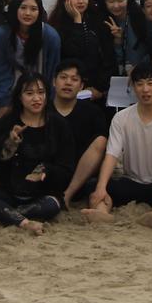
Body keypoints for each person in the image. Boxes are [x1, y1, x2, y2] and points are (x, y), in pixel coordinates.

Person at [0, 73, 75, 235]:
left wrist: (46, 171)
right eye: (29, 93)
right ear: (20, 97)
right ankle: (24, 222)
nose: (36, 98)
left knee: (52, 204)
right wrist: (8, 142)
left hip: (42, 194)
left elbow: (67, 167)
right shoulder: (9, 121)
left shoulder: (58, 125)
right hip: (9, 191)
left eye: (41, 92)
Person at [81, 65, 152, 225]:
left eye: (150, 83)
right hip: (131, 181)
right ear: (133, 86)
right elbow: (111, 156)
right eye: (140, 84)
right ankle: (102, 213)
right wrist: (101, 187)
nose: (145, 89)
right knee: (93, 185)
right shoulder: (121, 118)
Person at [0, 0, 62, 115]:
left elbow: (52, 73)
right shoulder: (4, 33)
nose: (28, 13)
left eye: (33, 9)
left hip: (41, 96)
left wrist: (48, 103)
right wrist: (4, 102)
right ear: (16, 9)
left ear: (40, 12)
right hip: (11, 94)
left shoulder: (50, 36)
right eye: (23, 8)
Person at [51, 60, 110, 205]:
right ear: (54, 82)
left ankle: (67, 195)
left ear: (82, 86)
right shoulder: (42, 110)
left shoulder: (93, 112)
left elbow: (101, 149)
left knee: (101, 140)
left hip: (82, 177)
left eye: (74, 79)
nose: (68, 83)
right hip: (49, 174)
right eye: (63, 77)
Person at [48, 0, 112, 98]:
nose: (81, 1)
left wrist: (100, 87)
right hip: (68, 86)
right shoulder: (56, 25)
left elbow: (107, 56)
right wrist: (77, 21)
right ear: (65, 0)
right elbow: (73, 53)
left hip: (95, 88)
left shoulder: (97, 21)